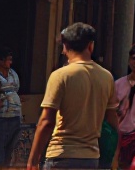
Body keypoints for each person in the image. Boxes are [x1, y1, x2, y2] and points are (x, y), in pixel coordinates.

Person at [27, 23, 119, 170]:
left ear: (65, 47)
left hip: (61, 154)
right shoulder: (106, 76)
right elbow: (112, 118)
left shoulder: (61, 75)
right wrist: (116, 150)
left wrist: (33, 159)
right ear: (91, 46)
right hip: (91, 158)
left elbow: (46, 121)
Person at [0, 46, 22, 167]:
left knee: (10, 152)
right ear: (0, 61)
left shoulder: (13, 74)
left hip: (14, 117)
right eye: (8, 59)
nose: (10, 62)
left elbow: (16, 89)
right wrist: (5, 100)